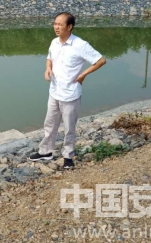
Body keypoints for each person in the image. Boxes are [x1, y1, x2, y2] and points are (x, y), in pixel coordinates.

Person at [29, 13, 106, 169]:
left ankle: (68, 156)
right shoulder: (54, 42)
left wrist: (83, 74)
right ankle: (45, 152)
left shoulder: (80, 45)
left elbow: (100, 60)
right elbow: (49, 57)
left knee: (69, 128)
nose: (56, 27)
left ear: (69, 27)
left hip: (70, 94)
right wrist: (48, 68)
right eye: (55, 24)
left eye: (60, 24)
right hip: (54, 92)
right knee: (49, 124)